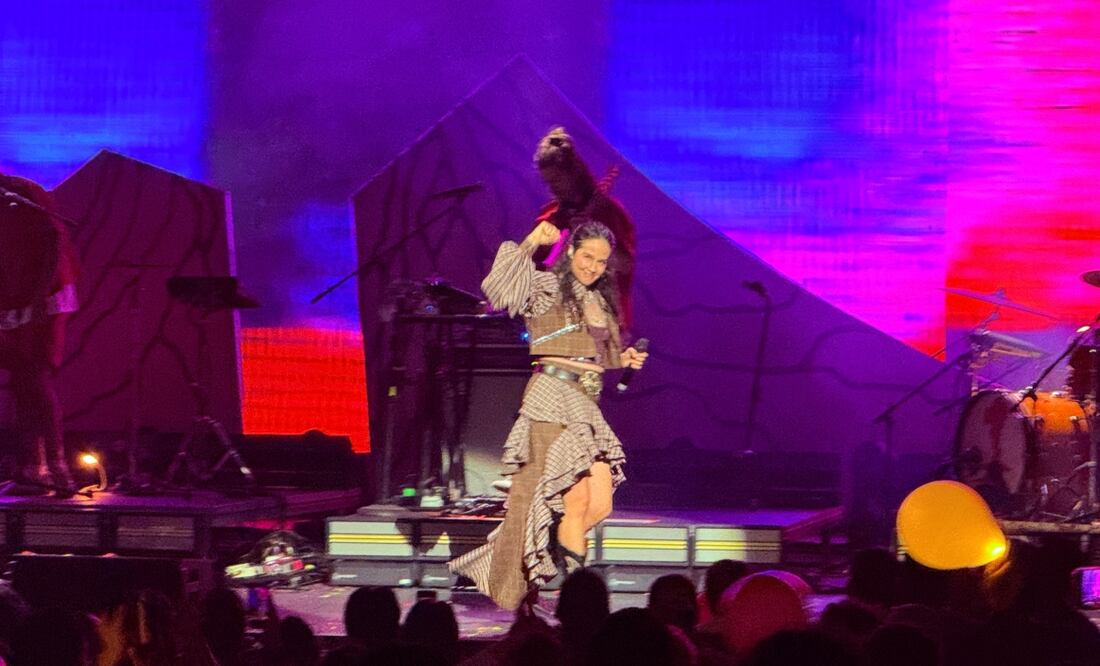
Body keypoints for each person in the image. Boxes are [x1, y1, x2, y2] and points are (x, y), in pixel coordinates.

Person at [448, 219, 647, 609]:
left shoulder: (599, 300)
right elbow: (499, 288)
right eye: (587, 256)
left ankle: (547, 548)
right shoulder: (546, 287)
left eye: (601, 261)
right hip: (552, 398)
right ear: (571, 251)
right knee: (575, 502)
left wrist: (624, 358)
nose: (593, 267)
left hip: (586, 406)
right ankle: (581, 606)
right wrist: (532, 242)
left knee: (600, 503)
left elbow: (598, 356)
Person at [0, 173, 78, 496]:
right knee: (21, 380)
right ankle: (34, 466)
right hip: (13, 298)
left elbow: (54, 242)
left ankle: (58, 467)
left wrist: (35, 298)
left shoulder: (20, 193)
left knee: (35, 376)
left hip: (44, 296)